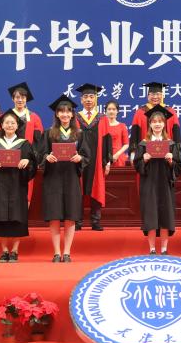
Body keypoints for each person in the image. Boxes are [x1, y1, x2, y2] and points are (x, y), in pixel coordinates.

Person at [0, 110, 36, 262]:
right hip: (0, 185)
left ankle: (15, 251)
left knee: (17, 216)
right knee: (1, 217)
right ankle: (4, 251)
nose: (10, 125)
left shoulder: (24, 144)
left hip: (18, 185)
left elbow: (33, 163)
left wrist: (27, 162)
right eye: (7, 122)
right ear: (2, 125)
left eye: (13, 122)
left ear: (17, 125)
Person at [40, 95, 88, 262]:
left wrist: (80, 158)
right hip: (53, 178)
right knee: (54, 216)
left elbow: (86, 155)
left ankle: (67, 252)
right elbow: (40, 154)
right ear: (57, 114)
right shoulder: (49, 133)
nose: (65, 114)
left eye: (68, 112)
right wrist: (46, 157)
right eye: (61, 112)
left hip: (71, 178)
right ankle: (56, 252)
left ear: (72, 114)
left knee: (70, 215)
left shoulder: (79, 134)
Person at [134, 105, 181, 255]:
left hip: (165, 184)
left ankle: (164, 248)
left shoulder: (171, 144)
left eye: (160, 121)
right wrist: (144, 159)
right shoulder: (143, 144)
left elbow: (178, 167)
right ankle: (152, 248)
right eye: (154, 121)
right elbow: (137, 165)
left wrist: (171, 161)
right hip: (149, 184)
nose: (157, 124)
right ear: (150, 124)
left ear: (164, 124)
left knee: (165, 215)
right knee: (151, 215)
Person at [74, 83, 111, 231]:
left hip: (97, 159)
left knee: (97, 187)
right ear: (81, 100)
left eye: (91, 96)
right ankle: (77, 221)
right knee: (78, 188)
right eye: (85, 97)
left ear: (96, 99)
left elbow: (107, 140)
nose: (88, 99)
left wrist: (107, 161)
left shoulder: (102, 118)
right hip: (79, 160)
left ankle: (95, 221)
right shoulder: (76, 117)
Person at [8, 81, 44, 204]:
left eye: (23, 97)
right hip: (9, 157)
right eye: (17, 97)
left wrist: (34, 158)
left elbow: (39, 141)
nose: (20, 100)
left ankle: (24, 213)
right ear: (13, 99)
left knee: (26, 188)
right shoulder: (7, 117)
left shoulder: (34, 117)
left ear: (26, 99)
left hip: (27, 159)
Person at [129, 81, 181, 160]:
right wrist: (133, 153)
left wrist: (176, 153)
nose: (155, 97)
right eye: (152, 94)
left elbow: (176, 135)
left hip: (167, 156)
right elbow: (134, 135)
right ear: (148, 96)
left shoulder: (171, 112)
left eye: (158, 94)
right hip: (145, 156)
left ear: (162, 95)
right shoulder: (140, 113)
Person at [104, 100, 130, 169]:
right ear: (106, 111)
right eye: (109, 109)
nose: (111, 111)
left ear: (117, 111)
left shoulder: (122, 126)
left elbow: (126, 144)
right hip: (104, 156)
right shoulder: (101, 126)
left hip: (118, 157)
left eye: (114, 109)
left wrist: (117, 155)